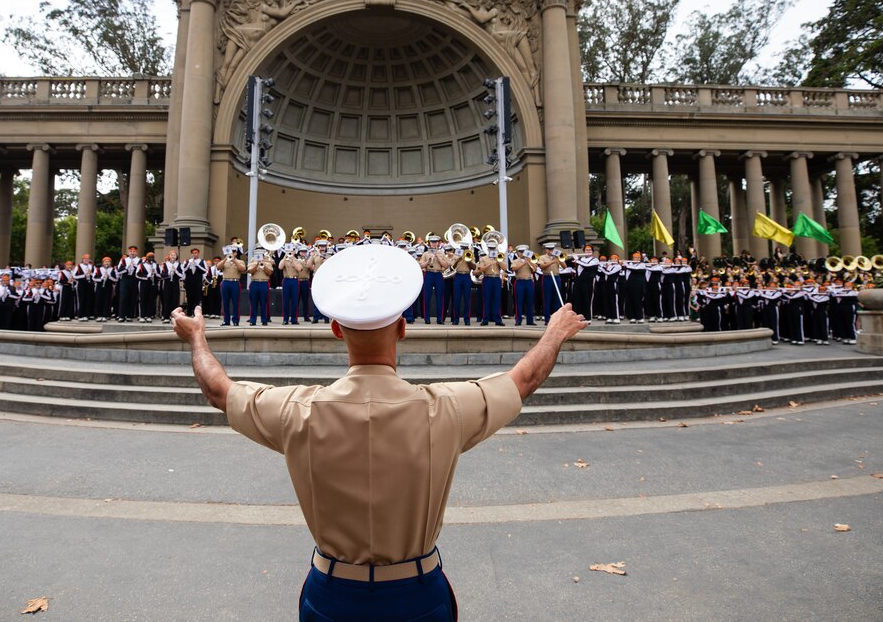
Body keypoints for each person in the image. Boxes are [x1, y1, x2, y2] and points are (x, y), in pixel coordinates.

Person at [170, 244, 586, 620]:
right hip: (417, 593)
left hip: (331, 591)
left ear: (336, 330)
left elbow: (218, 390)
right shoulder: (447, 408)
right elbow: (524, 379)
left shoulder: (296, 410)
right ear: (403, 328)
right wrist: (553, 333)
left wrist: (198, 338)